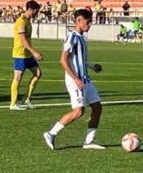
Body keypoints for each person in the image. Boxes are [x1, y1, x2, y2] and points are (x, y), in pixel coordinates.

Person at [42, 9, 105, 150]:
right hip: (75, 80)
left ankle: (88, 142)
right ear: (79, 21)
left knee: (97, 107)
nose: (90, 25)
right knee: (78, 111)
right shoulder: (72, 36)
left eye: (91, 22)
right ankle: (51, 133)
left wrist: (91, 66)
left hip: (84, 79)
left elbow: (78, 59)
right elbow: (63, 60)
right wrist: (75, 78)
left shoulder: (82, 37)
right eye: (88, 22)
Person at [10, 0, 44, 110]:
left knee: (38, 73)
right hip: (20, 54)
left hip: (28, 54)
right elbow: (23, 40)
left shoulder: (28, 21)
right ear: (30, 10)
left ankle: (27, 98)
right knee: (18, 77)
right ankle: (13, 104)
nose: (36, 13)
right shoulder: (21, 22)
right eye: (36, 11)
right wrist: (34, 52)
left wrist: (32, 53)